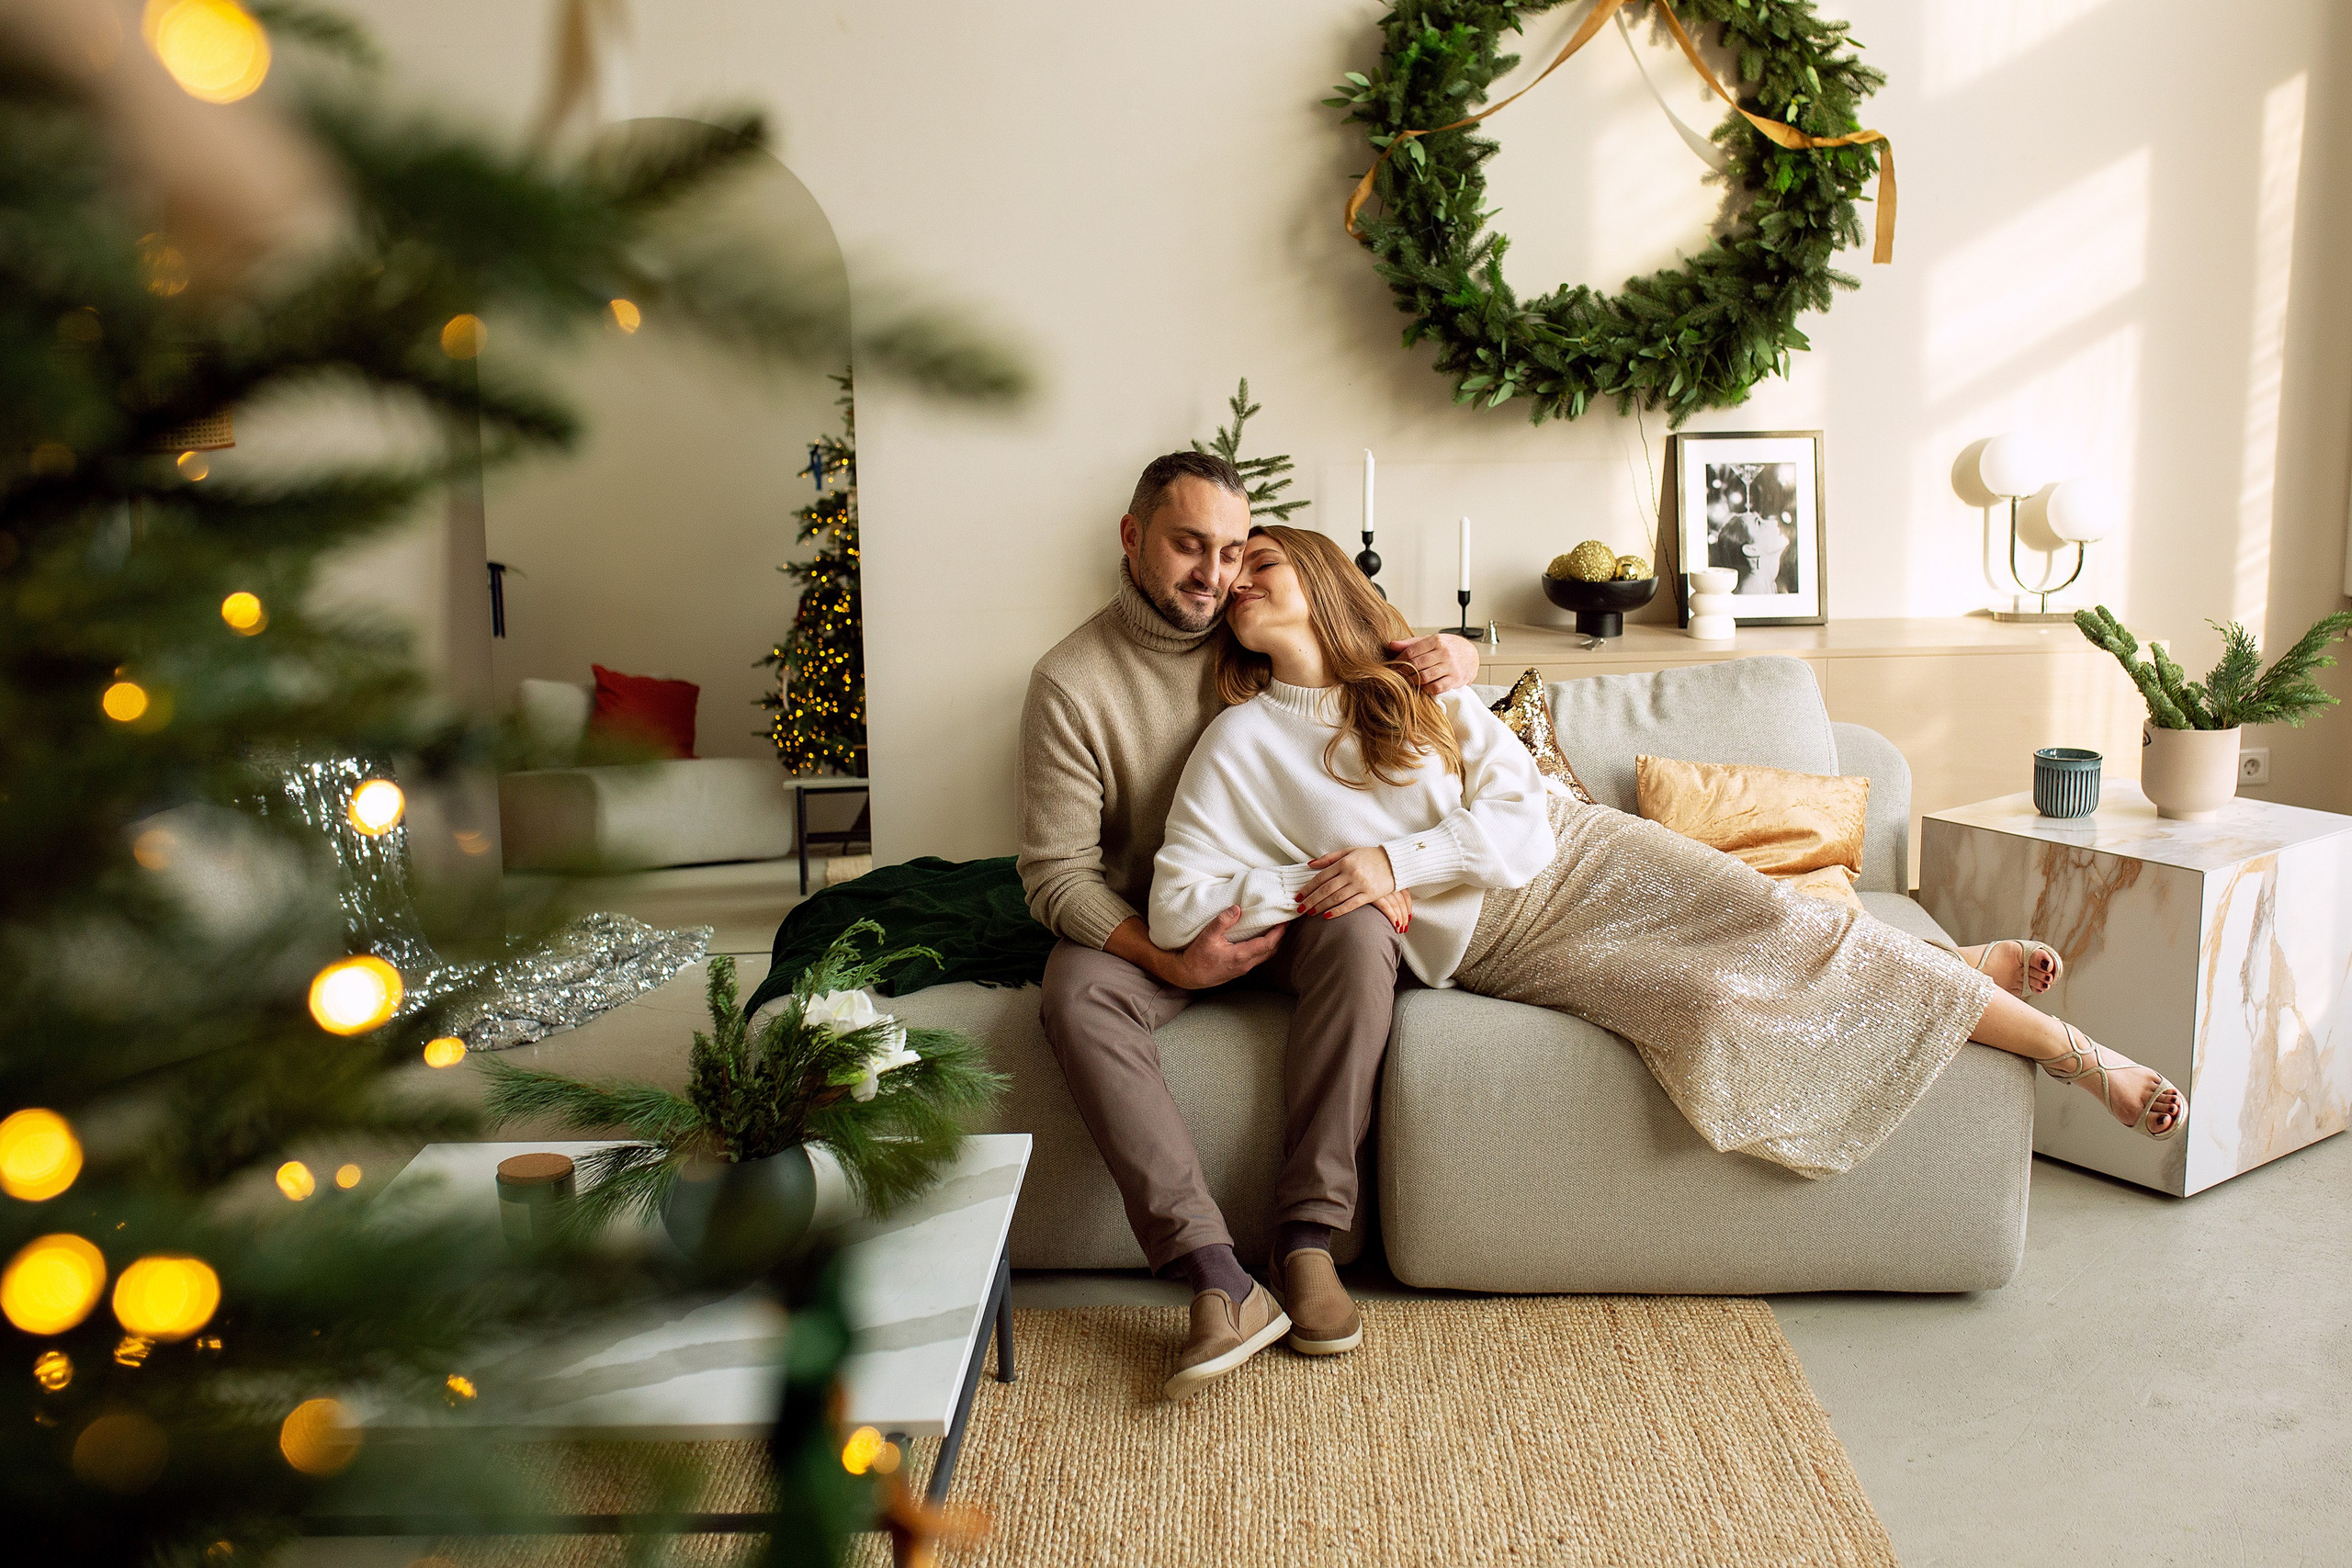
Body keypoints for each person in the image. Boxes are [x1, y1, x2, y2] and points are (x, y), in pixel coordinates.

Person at [1149, 525, 2183, 1189]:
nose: (1235, 581)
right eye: (1226, 572)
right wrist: (1339, 878)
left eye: (1260, 563)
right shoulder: (1238, 743)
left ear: (1324, 582)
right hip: (1505, 952)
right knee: (1713, 1010)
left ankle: (2074, 1056)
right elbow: (1177, 900)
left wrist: (1393, 859)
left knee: (1788, 928)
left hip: (1579, 859)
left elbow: (1517, 827)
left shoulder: (1420, 684)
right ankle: (1955, 973)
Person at [1018, 453, 1482, 1402]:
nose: (1216, 574)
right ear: (1132, 537)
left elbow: (1411, 665)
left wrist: (1465, 656)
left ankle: (1309, 1240)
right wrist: (1168, 961)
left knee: (1360, 932)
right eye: (1190, 545)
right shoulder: (1072, 682)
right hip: (1165, 921)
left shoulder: (1268, 620)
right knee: (1074, 989)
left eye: (1233, 550)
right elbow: (1055, 873)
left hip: (1294, 907)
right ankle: (1215, 1278)